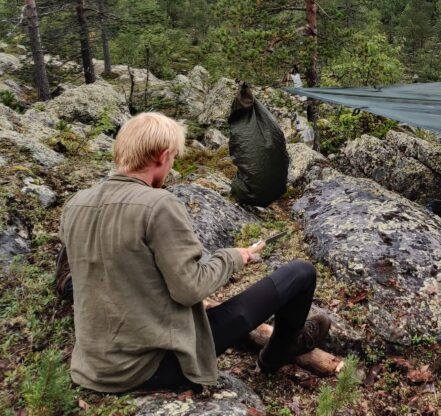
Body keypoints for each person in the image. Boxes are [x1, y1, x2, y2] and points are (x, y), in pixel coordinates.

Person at [59, 112, 329, 393]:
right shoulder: (158, 204)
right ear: (162, 156)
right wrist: (234, 257)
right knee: (301, 273)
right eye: (174, 157)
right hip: (151, 368)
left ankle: (280, 348)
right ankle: (278, 353)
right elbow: (190, 289)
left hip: (92, 368)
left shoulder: (75, 204)